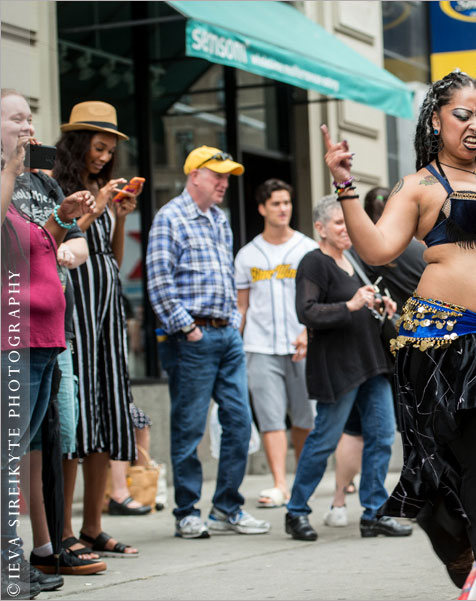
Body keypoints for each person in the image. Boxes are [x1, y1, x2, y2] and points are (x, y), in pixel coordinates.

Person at [315, 69, 476, 586]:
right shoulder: (421, 185)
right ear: (436, 119)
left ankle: (447, 515)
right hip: (450, 341)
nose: (474, 125)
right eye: (461, 115)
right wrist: (345, 185)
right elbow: (379, 249)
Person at [147, 145, 270, 538]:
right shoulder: (170, 217)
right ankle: (186, 511)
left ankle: (226, 507)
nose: (223, 183)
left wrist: (234, 319)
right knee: (189, 426)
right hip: (192, 337)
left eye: (227, 176)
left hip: (226, 333)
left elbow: (227, 277)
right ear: (194, 175)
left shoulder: (220, 219)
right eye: (217, 175)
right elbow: (158, 282)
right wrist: (189, 329)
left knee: (239, 421)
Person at [1, 90, 96, 596]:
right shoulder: (7, 181)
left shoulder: (30, 182)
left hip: (42, 341)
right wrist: (13, 168)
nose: (27, 126)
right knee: (4, 455)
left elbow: (37, 246)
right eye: (16, 118)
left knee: (15, 453)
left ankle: (12, 562)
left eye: (29, 118)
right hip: (11, 340)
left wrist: (65, 216)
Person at [52, 102, 151, 559]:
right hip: (75, 308)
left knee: (107, 415)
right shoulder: (56, 184)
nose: (104, 157)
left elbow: (109, 254)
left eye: (110, 150)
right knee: (76, 420)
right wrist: (98, 208)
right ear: (78, 143)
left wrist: (122, 214)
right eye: (98, 147)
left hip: (107, 308)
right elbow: (63, 241)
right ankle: (64, 531)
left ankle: (93, 526)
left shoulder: (101, 187)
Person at [283, 196, 407, 541]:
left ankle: (374, 513)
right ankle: (296, 511)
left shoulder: (353, 258)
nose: (347, 229)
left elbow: (360, 305)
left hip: (372, 362)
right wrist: (350, 304)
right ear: (320, 228)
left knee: (382, 437)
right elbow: (306, 311)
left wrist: (380, 305)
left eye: (348, 223)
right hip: (338, 367)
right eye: (339, 223)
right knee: (323, 440)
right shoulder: (314, 263)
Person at [235, 179, 319, 510]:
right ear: (262, 208)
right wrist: (234, 345)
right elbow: (241, 307)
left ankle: (300, 480)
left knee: (304, 419)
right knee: (271, 419)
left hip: (301, 344)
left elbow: (319, 300)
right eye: (276, 203)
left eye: (287, 203)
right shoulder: (247, 254)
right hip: (259, 347)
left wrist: (309, 332)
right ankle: (279, 484)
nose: (283, 209)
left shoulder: (307, 249)